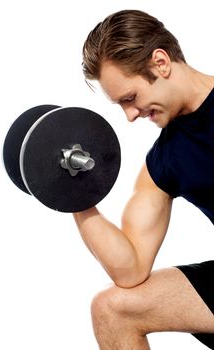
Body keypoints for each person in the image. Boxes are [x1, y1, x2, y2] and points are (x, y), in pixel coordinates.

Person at [73, 9, 214, 350]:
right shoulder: (164, 161)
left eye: (130, 98)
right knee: (112, 310)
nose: (130, 116)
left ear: (161, 63)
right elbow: (131, 269)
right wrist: (72, 193)